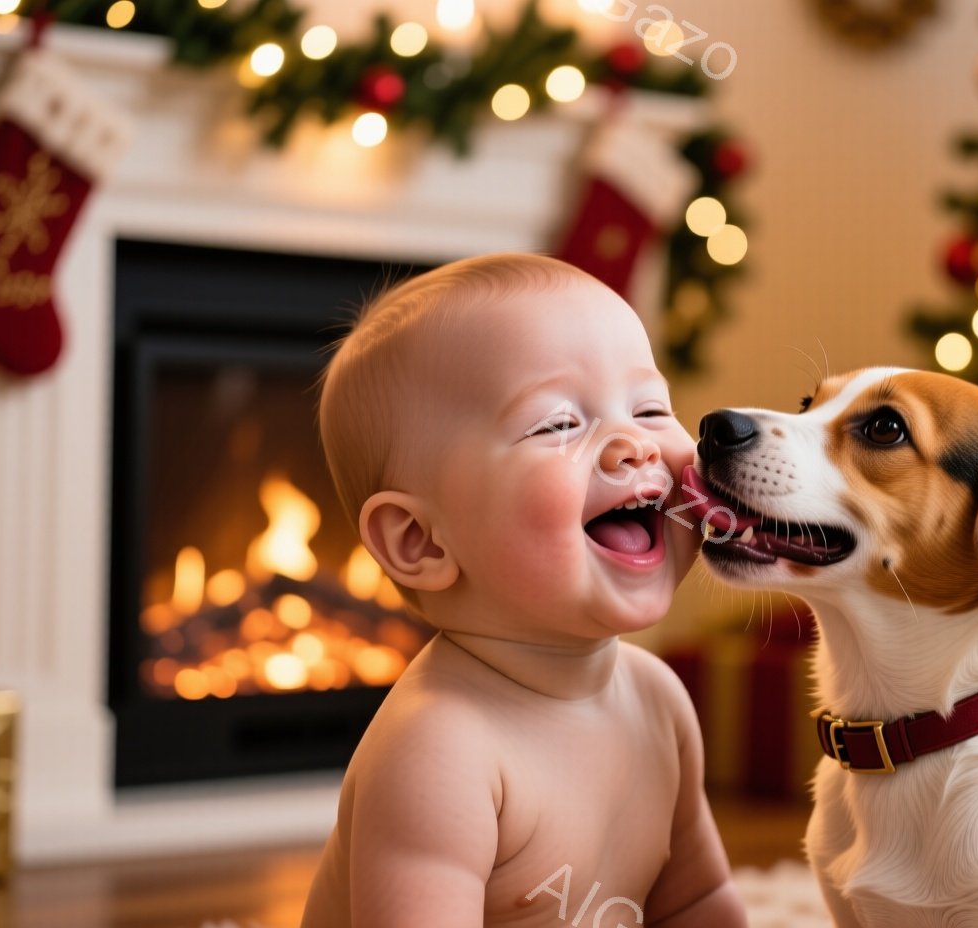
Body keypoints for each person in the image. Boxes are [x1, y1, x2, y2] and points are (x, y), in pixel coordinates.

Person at [303, 254, 746, 927]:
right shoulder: (437, 748)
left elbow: (694, 903)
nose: (634, 443)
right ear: (420, 541)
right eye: (558, 424)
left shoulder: (659, 701)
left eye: (650, 407)